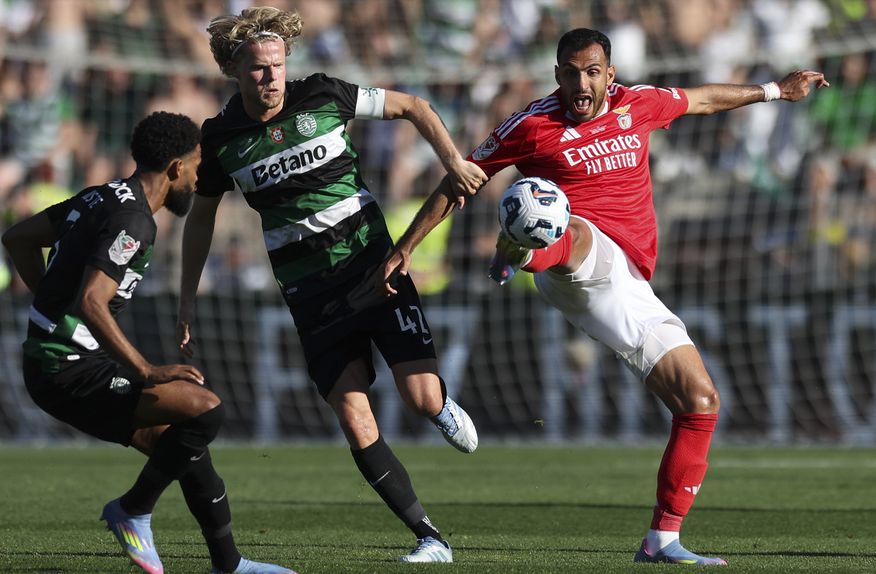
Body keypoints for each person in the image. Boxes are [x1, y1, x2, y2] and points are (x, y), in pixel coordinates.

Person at [380, 28, 829, 566]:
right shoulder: (531, 125)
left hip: (630, 283)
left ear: (609, 74)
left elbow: (703, 100)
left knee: (700, 402)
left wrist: (776, 92)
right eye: (570, 72)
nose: (581, 83)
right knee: (573, 227)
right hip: (576, 259)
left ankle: (662, 538)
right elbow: (462, 179)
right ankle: (524, 250)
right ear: (557, 75)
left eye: (592, 72)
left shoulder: (638, 105)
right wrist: (407, 245)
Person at [177, 6, 487, 563]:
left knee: (419, 399)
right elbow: (200, 219)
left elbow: (413, 106)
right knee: (352, 413)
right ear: (233, 71)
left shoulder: (325, 94)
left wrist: (454, 160)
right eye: (256, 69)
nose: (270, 76)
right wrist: (186, 299)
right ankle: (428, 536)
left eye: (276, 65)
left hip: (375, 267)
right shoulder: (222, 137)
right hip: (311, 295)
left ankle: (440, 405)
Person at [1, 111, 295, 574]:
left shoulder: (102, 196)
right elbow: (93, 302)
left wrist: (48, 300)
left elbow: (18, 238)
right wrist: (145, 370)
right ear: (176, 168)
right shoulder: (134, 220)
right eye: (197, 166)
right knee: (206, 408)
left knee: (186, 447)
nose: (199, 179)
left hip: (56, 361)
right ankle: (133, 509)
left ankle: (229, 565)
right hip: (67, 369)